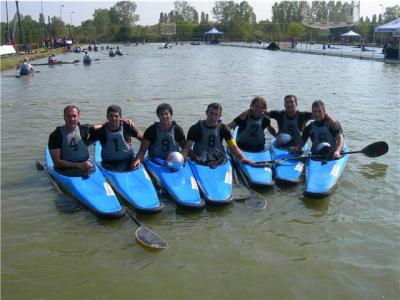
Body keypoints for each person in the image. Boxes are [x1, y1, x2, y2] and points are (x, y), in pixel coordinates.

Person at [183, 103, 253, 166]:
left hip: (219, 160)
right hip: (200, 160)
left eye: (216, 114)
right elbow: (187, 148)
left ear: (220, 116)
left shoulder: (224, 128)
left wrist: (242, 157)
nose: (213, 117)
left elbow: (233, 146)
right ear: (206, 113)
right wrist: (183, 159)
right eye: (211, 113)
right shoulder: (195, 128)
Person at [268, 95, 338, 147]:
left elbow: (320, 114)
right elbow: (262, 112)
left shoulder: (303, 115)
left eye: (291, 102)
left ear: (296, 104)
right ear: (284, 105)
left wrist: (331, 119)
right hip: (280, 145)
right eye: (287, 102)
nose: (289, 104)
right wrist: (274, 133)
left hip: (297, 145)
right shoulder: (278, 114)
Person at [132, 103, 186, 168]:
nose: (164, 116)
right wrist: (138, 160)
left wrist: (181, 159)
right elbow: (142, 151)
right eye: (161, 114)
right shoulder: (151, 130)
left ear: (171, 115)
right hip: (155, 161)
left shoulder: (177, 130)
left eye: (166, 114)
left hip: (174, 161)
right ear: (158, 116)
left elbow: (185, 148)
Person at [48, 105, 97, 176]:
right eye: (68, 116)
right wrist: (79, 165)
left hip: (86, 166)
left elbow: (99, 127)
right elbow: (57, 162)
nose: (72, 119)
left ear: (78, 117)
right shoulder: (55, 135)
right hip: (65, 170)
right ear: (64, 117)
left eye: (74, 116)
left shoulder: (83, 129)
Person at [92, 105, 143, 171]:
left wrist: (139, 157)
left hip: (128, 161)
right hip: (109, 163)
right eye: (111, 116)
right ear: (107, 117)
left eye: (116, 116)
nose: (113, 118)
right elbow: (85, 142)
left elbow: (145, 140)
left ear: (120, 117)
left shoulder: (127, 127)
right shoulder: (101, 131)